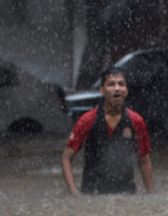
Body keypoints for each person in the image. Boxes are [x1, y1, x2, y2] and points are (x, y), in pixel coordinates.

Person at [61, 67, 154, 195]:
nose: (117, 88)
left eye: (121, 84)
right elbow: (66, 158)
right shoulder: (87, 120)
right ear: (102, 90)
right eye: (111, 84)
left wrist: (151, 194)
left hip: (126, 194)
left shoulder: (136, 121)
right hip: (92, 194)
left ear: (126, 90)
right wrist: (73, 191)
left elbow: (145, 162)